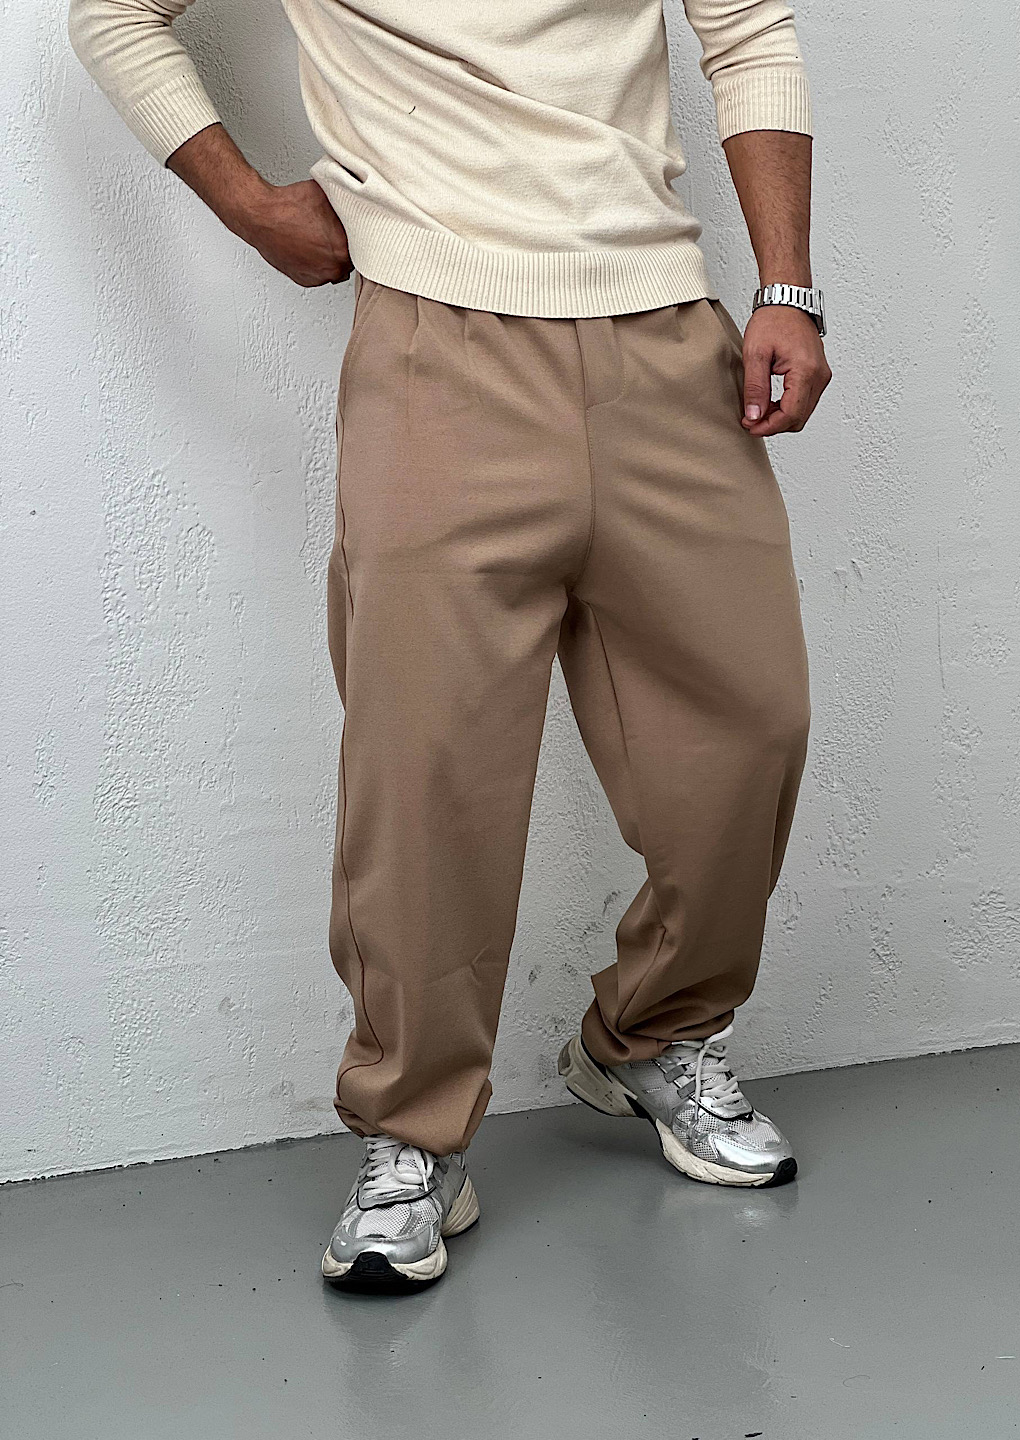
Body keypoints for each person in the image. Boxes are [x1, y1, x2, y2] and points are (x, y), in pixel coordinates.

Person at [69, 0, 831, 1293]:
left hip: (666, 335)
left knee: (750, 729)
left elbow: (749, 28)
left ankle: (651, 1033)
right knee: (426, 774)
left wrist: (788, 286)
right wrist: (249, 206)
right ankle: (412, 1133)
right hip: (435, 341)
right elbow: (113, 13)